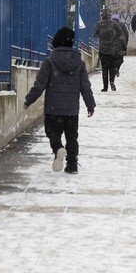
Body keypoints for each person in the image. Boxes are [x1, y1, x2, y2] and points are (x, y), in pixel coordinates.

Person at [23, 27, 96, 174]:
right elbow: (85, 86)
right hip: (71, 109)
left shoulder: (50, 61)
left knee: (52, 132)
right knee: (72, 137)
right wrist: (90, 105)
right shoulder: (80, 63)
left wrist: (28, 100)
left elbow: (40, 85)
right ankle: (72, 165)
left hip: (53, 108)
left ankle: (58, 148)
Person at [94, 9, 126, 91]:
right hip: (113, 49)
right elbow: (121, 34)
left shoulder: (99, 24)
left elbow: (95, 34)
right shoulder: (114, 24)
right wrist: (122, 46)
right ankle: (112, 81)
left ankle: (105, 87)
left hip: (103, 49)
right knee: (112, 67)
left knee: (104, 68)